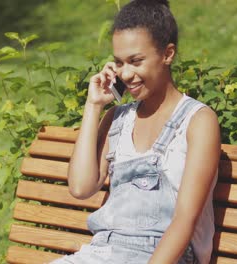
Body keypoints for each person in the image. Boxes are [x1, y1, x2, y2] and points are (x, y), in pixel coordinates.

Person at [51, 0, 220, 263]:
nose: (126, 74)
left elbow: (185, 220)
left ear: (168, 54)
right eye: (119, 63)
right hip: (102, 252)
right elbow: (81, 186)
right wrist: (93, 105)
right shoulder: (118, 118)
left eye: (136, 61)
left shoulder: (198, 121)